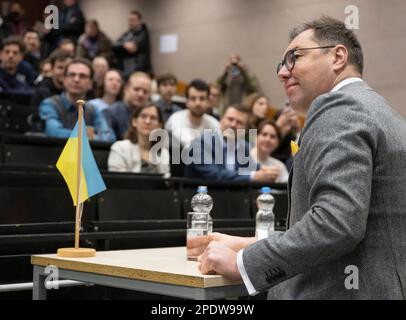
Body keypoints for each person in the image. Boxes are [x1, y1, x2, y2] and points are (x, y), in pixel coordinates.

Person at [196, 16, 406, 300]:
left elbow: (336, 224)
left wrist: (242, 263)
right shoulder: (384, 112)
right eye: (281, 64)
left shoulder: (339, 107)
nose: (283, 72)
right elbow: (363, 224)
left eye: (294, 58)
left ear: (338, 56)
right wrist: (250, 245)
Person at [185, 104, 279, 183]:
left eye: (239, 122)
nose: (233, 125)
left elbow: (251, 168)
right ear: (221, 120)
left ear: (245, 129)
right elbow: (214, 175)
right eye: (230, 119)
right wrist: (253, 176)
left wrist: (265, 170)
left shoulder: (244, 146)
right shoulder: (200, 144)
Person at [39, 58, 113, 142]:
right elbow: (54, 132)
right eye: (72, 75)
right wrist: (89, 137)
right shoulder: (50, 104)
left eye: (82, 76)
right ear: (64, 79)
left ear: (90, 84)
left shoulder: (93, 109)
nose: (76, 79)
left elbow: (109, 136)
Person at [108, 104, 170, 176]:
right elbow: (118, 182)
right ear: (134, 122)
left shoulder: (163, 152)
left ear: (159, 125)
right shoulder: (120, 148)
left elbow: (166, 182)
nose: (148, 121)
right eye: (143, 116)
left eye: (153, 118)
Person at [165, 79, 220, 149]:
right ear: (187, 102)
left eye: (202, 98)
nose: (198, 103)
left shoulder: (214, 124)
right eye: (193, 98)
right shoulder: (176, 120)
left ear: (208, 102)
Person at [104, 71, 151, 140]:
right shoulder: (110, 112)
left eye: (145, 91)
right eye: (136, 89)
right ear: (126, 89)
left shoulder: (151, 117)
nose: (141, 94)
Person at [113, 10, 152, 77]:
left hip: (138, 70)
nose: (130, 22)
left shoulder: (143, 34)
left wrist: (122, 48)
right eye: (129, 20)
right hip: (124, 70)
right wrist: (124, 45)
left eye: (133, 20)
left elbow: (133, 48)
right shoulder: (126, 34)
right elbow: (114, 45)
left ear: (139, 21)